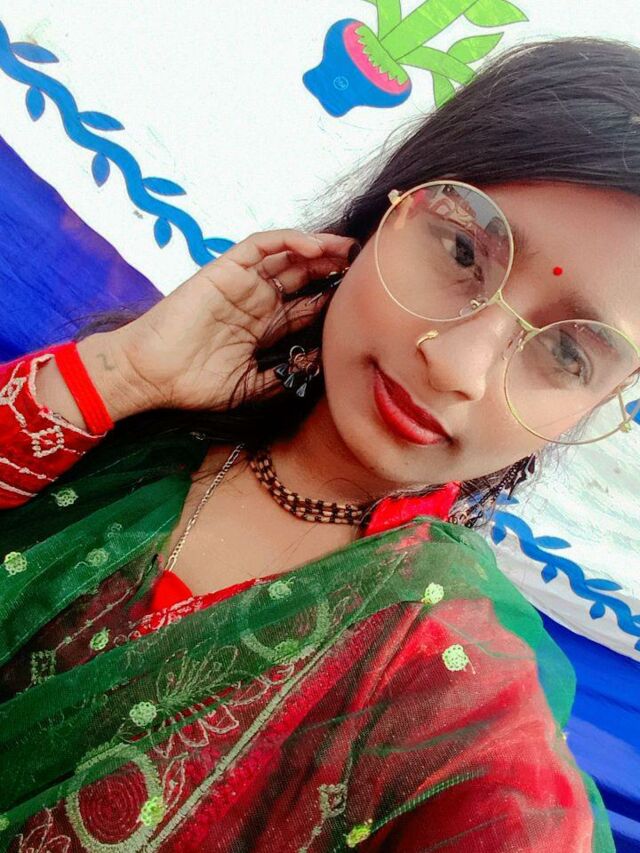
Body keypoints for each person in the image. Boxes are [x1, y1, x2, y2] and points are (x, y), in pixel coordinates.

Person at [1, 33, 637, 851]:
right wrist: (121, 373)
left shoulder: (450, 688)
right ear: (388, 207)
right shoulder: (134, 414)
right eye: (462, 250)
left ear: (593, 405)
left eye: (568, 353)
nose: (456, 365)